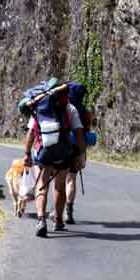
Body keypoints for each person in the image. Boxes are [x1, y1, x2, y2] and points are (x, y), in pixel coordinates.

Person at [23, 83, 87, 237]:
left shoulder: (39, 107)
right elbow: (79, 133)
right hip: (63, 152)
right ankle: (58, 221)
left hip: (43, 152)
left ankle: (41, 220)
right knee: (59, 186)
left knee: (41, 185)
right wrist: (80, 154)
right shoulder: (69, 108)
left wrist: (27, 154)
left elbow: (31, 133)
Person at [65, 107, 96, 224]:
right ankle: (69, 211)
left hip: (63, 146)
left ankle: (58, 212)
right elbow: (88, 128)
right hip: (78, 147)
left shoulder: (61, 106)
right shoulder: (85, 111)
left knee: (61, 180)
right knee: (71, 178)